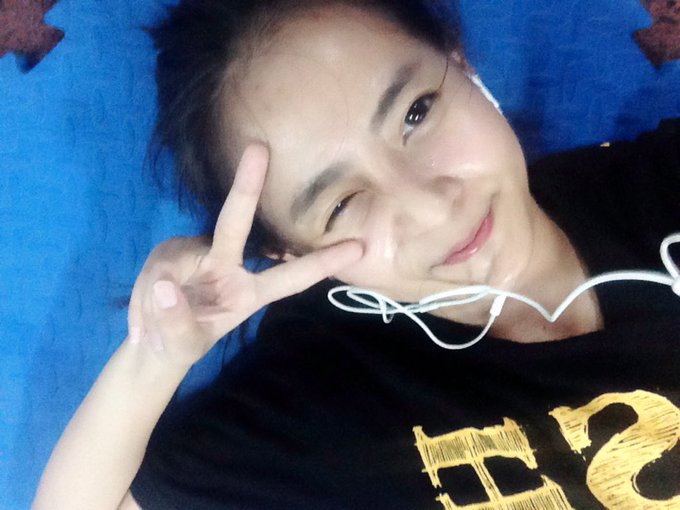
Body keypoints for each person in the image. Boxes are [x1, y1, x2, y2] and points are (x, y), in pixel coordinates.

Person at [33, 0, 680, 508]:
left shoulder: (654, 183)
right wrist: (155, 356)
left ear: (461, 65)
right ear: (288, 251)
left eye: (417, 113)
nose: (431, 207)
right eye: (342, 203)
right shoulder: (324, 397)